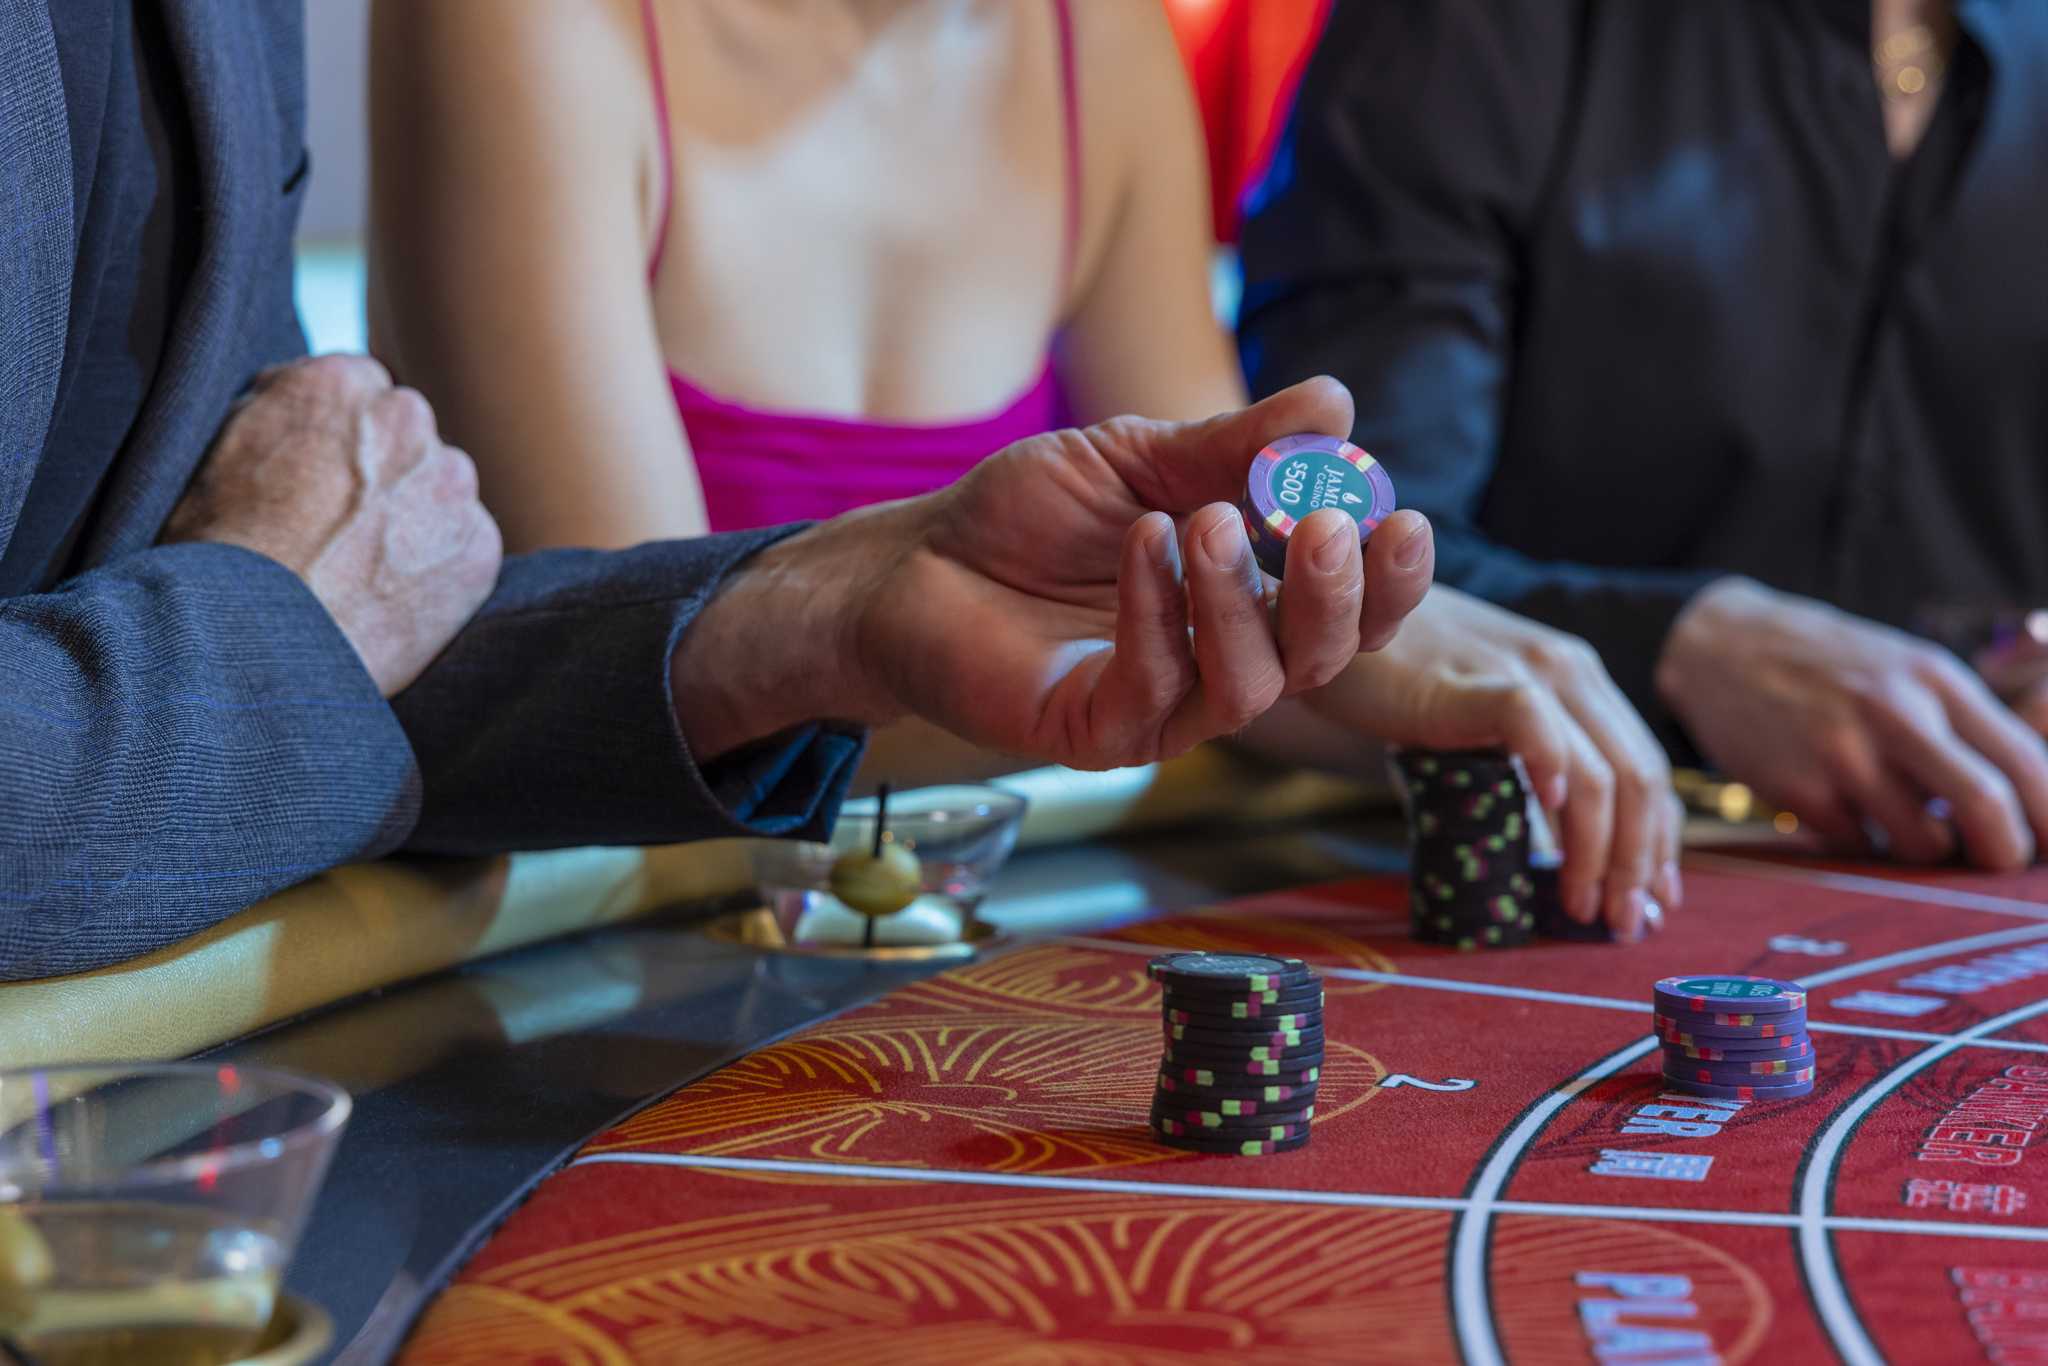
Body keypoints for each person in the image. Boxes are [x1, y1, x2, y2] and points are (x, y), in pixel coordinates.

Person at [0, 1, 1435, 982]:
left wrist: (850, 609)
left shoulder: (1093, 39)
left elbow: (406, 639)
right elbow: (340, 643)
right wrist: (279, 635)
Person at [367, 0, 1684, 939]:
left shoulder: (1096, 36)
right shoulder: (522, 22)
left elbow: (1205, 589)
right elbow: (636, 724)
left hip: (914, 933)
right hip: (618, 954)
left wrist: (1381, 653)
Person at [1240, 0, 2048, 871]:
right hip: (1512, 854)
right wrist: (1676, 646)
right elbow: (1330, 561)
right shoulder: (1478, 30)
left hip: (1985, 862)